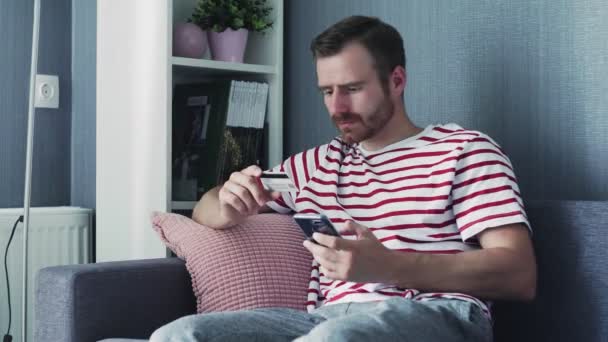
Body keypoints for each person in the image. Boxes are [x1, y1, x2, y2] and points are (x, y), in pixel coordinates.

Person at [151, 15, 537, 342]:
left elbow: (519, 274)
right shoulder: (315, 165)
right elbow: (206, 208)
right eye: (327, 91)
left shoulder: (464, 150)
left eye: (352, 89)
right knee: (179, 335)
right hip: (327, 317)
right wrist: (227, 202)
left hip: (439, 311)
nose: (337, 108)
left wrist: (388, 265)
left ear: (396, 80)